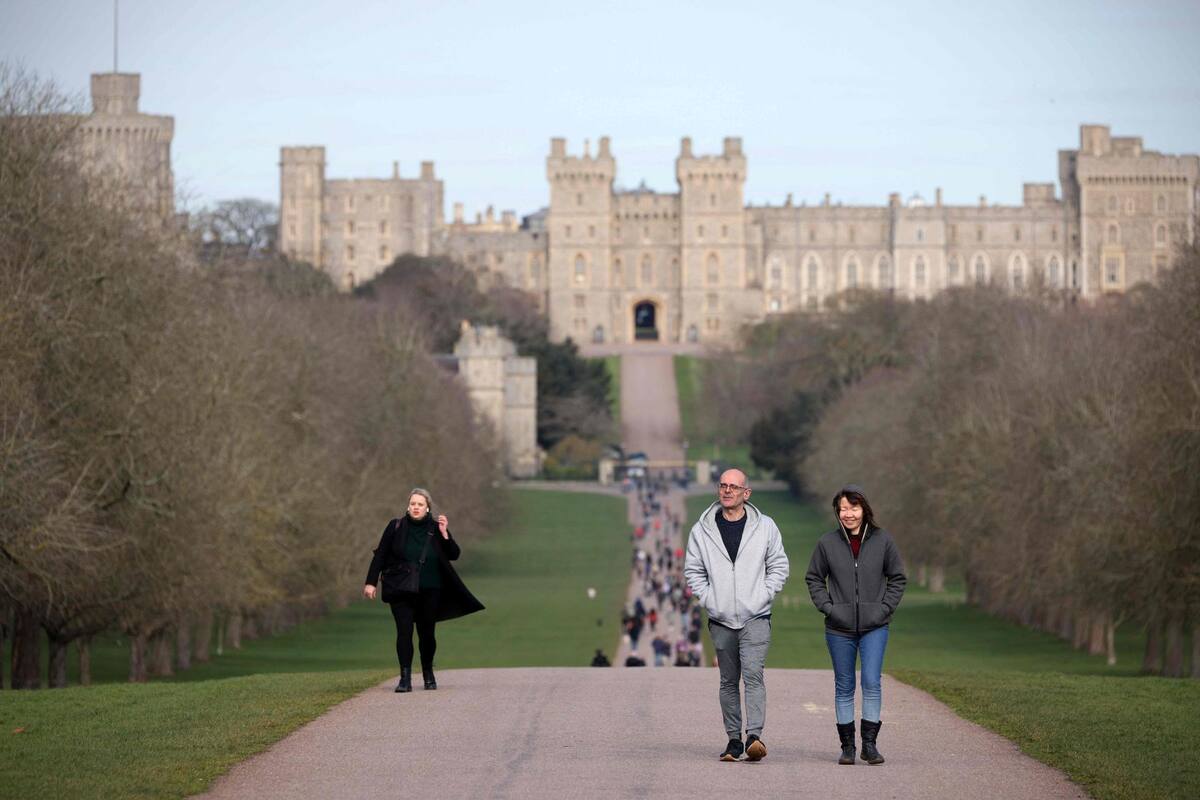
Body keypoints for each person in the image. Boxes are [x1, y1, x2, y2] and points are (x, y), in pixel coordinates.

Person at [684, 468, 789, 762]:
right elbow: (693, 570)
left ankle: (754, 736)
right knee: (728, 681)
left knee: (753, 675)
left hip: (756, 616)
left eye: (734, 486)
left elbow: (779, 565)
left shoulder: (765, 526)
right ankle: (733, 740)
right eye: (723, 486)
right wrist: (709, 599)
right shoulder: (702, 529)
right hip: (720, 618)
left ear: (746, 493)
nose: (727, 491)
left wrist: (764, 594)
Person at [805, 484, 907, 765]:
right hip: (839, 628)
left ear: (864, 509)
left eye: (854, 507)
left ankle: (870, 746)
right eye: (843, 509)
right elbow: (814, 578)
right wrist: (829, 608)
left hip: (875, 626)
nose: (848, 514)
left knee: (872, 682)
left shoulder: (883, 541)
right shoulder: (827, 543)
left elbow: (897, 578)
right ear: (838, 511)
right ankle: (848, 747)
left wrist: (884, 608)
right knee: (844, 686)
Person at [364, 488, 484, 693]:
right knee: (404, 632)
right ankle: (405, 678)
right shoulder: (396, 526)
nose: (416, 507)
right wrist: (370, 582)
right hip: (400, 589)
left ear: (427, 507)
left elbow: (454, 554)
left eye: (420, 504)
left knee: (426, 634)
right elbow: (380, 555)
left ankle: (428, 673)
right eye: (413, 504)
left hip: (430, 589)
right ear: (408, 506)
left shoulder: (436, 527)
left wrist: (446, 534)